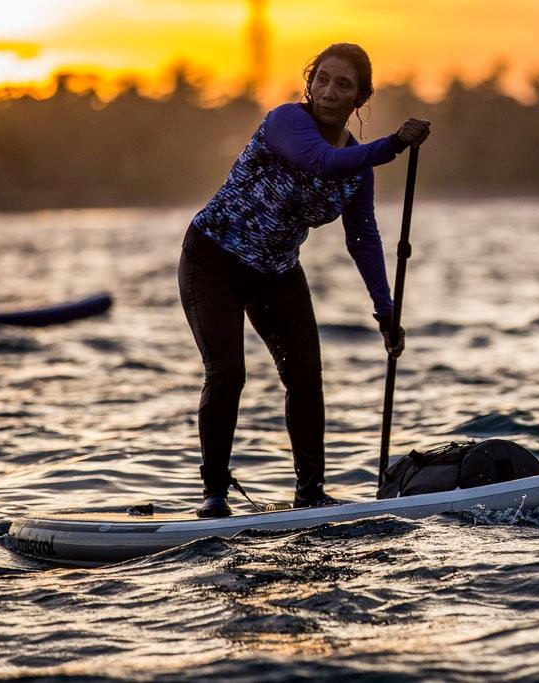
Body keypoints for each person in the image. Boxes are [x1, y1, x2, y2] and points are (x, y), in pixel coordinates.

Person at [178, 43, 431, 518]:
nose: (329, 93)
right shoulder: (285, 123)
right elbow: (319, 162)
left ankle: (310, 492)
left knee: (305, 378)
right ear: (308, 82)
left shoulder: (359, 167)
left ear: (361, 98)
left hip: (275, 272)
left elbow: (363, 237)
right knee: (228, 372)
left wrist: (386, 310)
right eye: (322, 80)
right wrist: (394, 144)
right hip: (212, 260)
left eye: (344, 85)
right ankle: (214, 494)